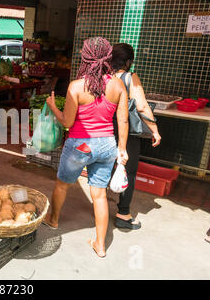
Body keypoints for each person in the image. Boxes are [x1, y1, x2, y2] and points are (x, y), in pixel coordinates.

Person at [43, 37, 129, 258]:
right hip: (108, 145)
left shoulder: (77, 86)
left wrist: (53, 106)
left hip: (80, 145)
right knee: (99, 195)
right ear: (108, 58)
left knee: (62, 184)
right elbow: (123, 121)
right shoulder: (118, 85)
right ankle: (100, 245)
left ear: (85, 58)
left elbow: (67, 122)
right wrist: (122, 148)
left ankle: (53, 220)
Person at [111, 43, 161, 230]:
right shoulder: (130, 78)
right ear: (129, 61)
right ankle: (123, 213)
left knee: (103, 169)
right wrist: (154, 130)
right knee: (128, 172)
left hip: (105, 131)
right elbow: (141, 106)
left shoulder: (104, 77)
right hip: (126, 133)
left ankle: (99, 207)